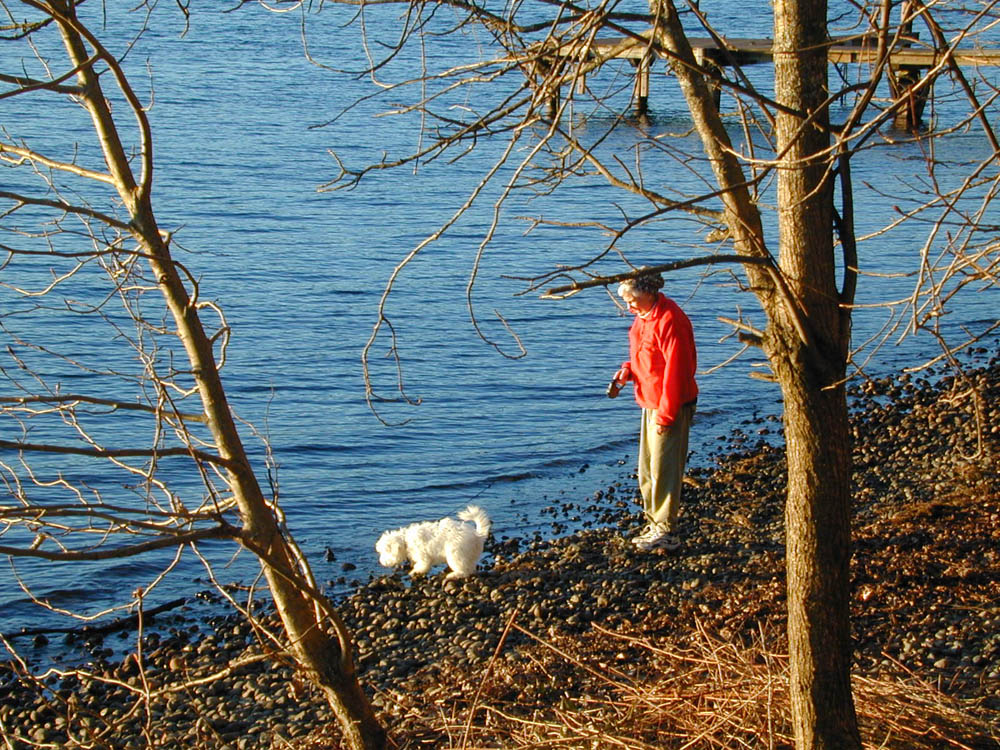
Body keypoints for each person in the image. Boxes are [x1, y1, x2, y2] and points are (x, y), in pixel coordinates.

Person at [610, 272, 698, 551]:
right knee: (647, 468)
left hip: (669, 403)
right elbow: (643, 355)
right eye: (625, 301)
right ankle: (654, 522)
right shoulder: (644, 316)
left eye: (632, 299)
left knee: (665, 468)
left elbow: (677, 371)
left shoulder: (670, 319)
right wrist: (627, 370)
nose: (629, 306)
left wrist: (667, 415)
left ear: (648, 292)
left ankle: (666, 530)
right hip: (649, 400)